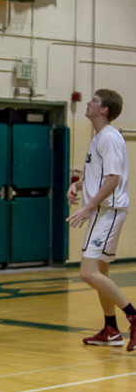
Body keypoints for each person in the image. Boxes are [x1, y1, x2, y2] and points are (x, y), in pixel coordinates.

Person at [67, 89, 136, 350]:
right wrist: (79, 186)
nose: (88, 103)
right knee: (101, 271)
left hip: (107, 211)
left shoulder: (109, 137)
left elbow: (114, 178)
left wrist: (88, 207)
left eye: (94, 100)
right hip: (103, 210)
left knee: (88, 272)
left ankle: (133, 316)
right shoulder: (99, 138)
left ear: (104, 109)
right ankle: (111, 329)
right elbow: (102, 176)